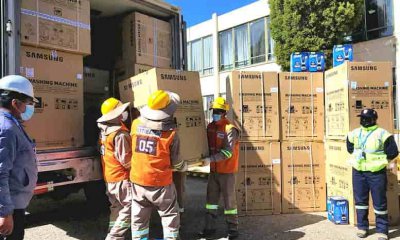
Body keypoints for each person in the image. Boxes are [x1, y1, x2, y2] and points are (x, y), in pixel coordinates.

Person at [130, 90, 187, 240]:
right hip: (160, 183)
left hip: (137, 181)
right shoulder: (171, 133)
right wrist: (184, 167)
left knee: (139, 220)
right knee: (169, 216)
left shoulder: (135, 124)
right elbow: (176, 162)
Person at [347, 108, 399, 240]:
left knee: (380, 202)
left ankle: (382, 230)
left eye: (366, 118)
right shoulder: (355, 133)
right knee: (360, 201)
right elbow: (349, 146)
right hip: (358, 172)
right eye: (362, 118)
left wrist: (381, 162)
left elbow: (393, 152)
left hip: (376, 173)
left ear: (373, 120)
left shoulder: (383, 134)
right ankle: (362, 227)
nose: (363, 121)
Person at [0, 75, 38, 240]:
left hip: (14, 202)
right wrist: (5, 213)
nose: (29, 108)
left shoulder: (11, 123)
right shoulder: (6, 128)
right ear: (15, 103)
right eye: (28, 103)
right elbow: (1, 173)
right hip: (11, 206)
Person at [199, 97, 240, 239]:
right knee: (211, 202)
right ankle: (209, 229)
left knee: (230, 203)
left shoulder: (230, 129)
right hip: (214, 172)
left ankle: (233, 231)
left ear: (224, 113)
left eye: (217, 111)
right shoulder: (210, 127)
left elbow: (228, 152)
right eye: (213, 111)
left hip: (227, 172)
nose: (214, 113)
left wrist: (210, 159)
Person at [97, 98, 132, 240]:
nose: (124, 114)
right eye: (121, 111)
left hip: (109, 178)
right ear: (115, 114)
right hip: (121, 179)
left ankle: (113, 229)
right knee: (130, 207)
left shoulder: (103, 132)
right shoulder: (120, 135)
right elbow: (127, 161)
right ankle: (114, 236)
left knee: (116, 207)